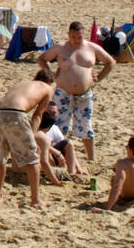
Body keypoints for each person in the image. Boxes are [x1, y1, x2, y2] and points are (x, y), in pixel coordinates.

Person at [38, 21, 115, 162]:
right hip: (63, 92)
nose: (76, 40)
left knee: (85, 126)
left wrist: (98, 77)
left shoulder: (92, 47)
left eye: (79, 37)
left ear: (83, 35)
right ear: (68, 34)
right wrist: (49, 73)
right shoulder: (60, 48)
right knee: (58, 124)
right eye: (73, 36)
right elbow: (42, 58)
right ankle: (55, 155)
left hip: (84, 94)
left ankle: (91, 158)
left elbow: (110, 62)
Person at [0, 71, 57, 208]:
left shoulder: (23, 84)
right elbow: (38, 114)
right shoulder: (48, 88)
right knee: (32, 159)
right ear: (50, 82)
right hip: (16, 113)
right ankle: (35, 199)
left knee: (0, 157)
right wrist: (32, 135)